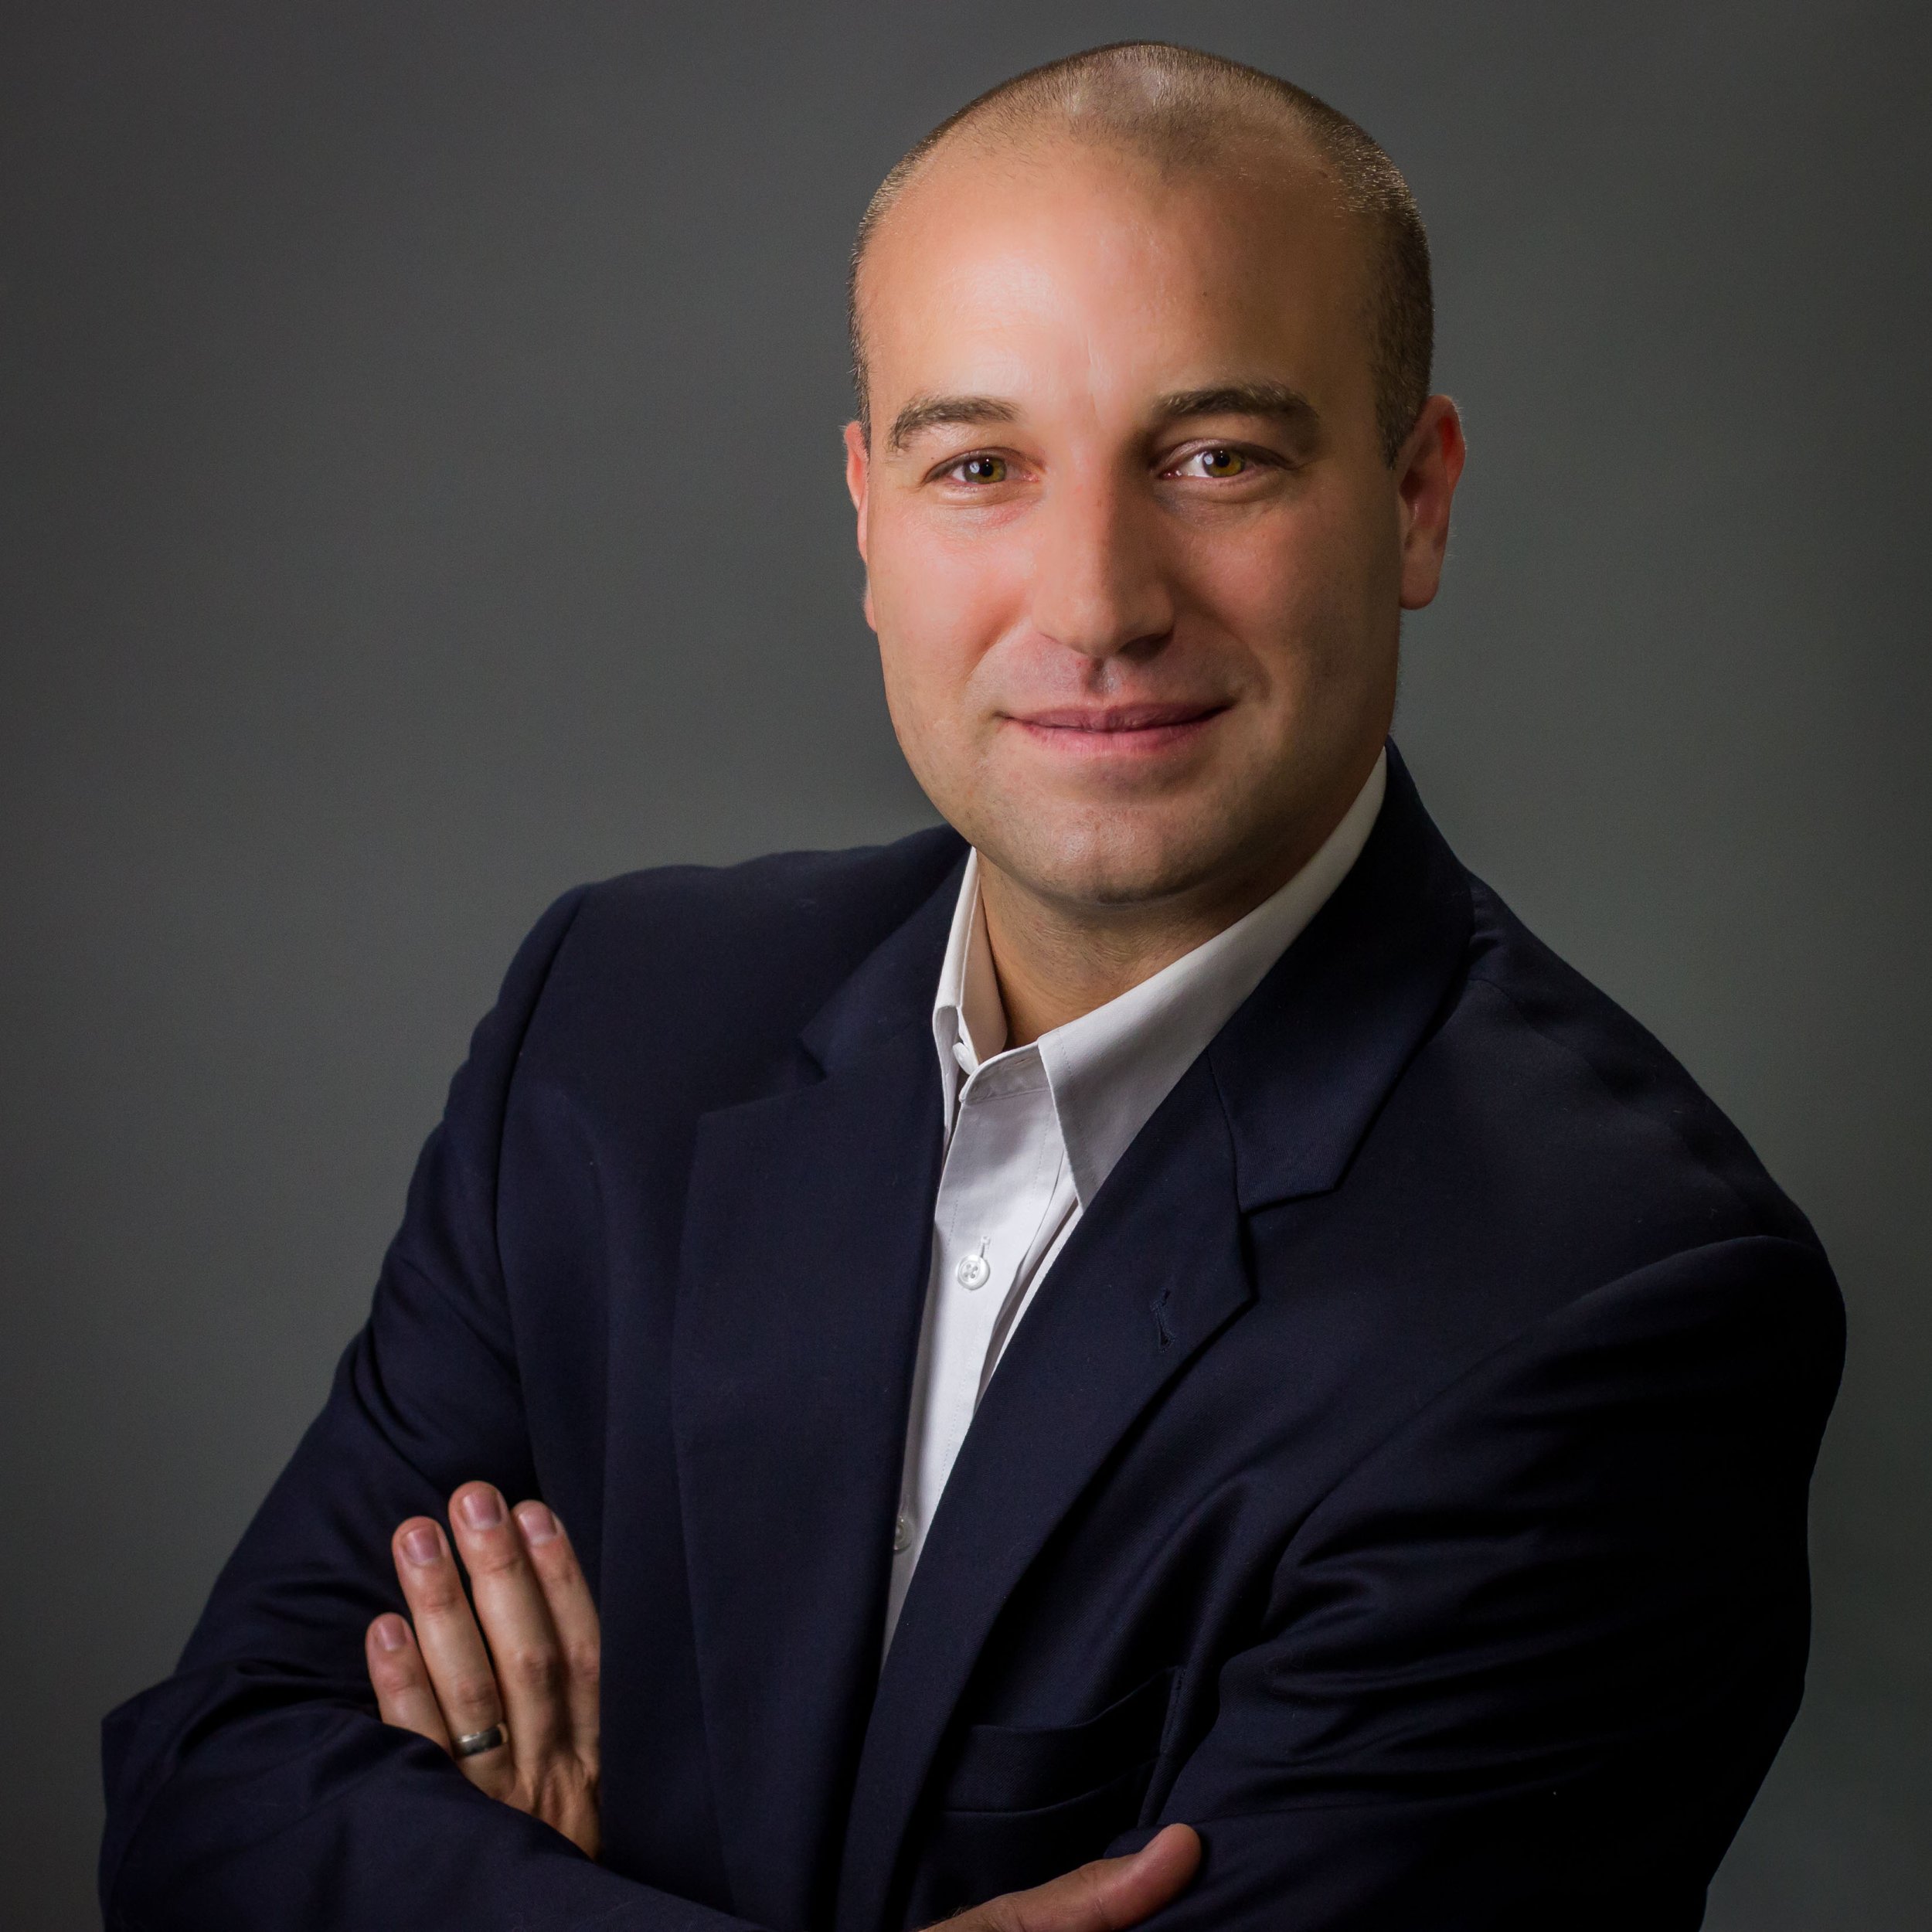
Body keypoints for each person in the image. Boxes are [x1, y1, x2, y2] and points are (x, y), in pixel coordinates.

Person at [100, 41, 1842, 1932]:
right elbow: (209, 1798)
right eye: (979, 467)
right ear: (868, 514)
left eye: (1215, 457)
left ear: (1414, 500)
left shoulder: (1615, 1300)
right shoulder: (610, 1028)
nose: (1094, 601)